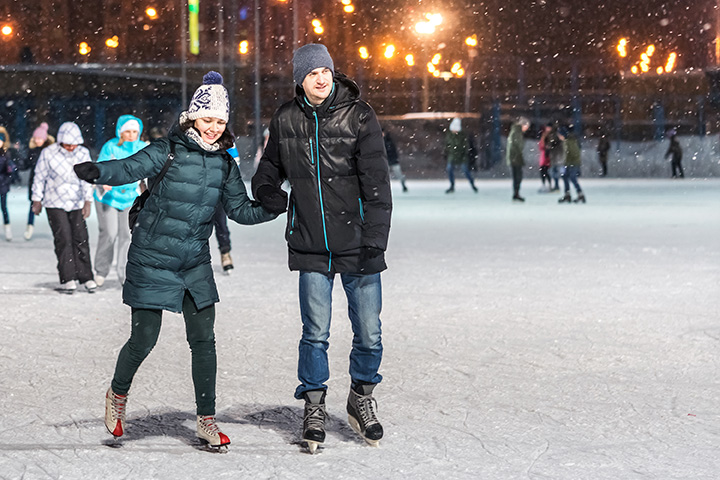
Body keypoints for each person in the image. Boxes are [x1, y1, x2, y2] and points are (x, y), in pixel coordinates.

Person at [73, 72, 277, 450]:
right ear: (192, 118)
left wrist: (271, 208)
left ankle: (206, 420)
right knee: (143, 340)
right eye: (207, 119)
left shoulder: (225, 166)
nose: (214, 128)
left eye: (220, 121)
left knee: (204, 341)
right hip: (152, 257)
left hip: (194, 262)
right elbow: (130, 167)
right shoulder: (166, 149)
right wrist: (99, 172)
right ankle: (117, 397)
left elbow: (239, 211)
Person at [251, 44, 392, 453]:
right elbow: (268, 168)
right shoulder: (286, 118)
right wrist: (265, 190)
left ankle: (361, 397)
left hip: (358, 243)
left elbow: (378, 185)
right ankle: (313, 406)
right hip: (311, 243)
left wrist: (375, 241)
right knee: (315, 334)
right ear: (300, 78)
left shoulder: (360, 116)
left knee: (369, 333)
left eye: (325, 71)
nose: (320, 78)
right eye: (312, 73)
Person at [31, 122, 97, 292]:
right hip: (54, 202)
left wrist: (88, 201)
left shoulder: (83, 153)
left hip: (76, 202)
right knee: (64, 239)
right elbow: (40, 176)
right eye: (67, 144)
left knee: (81, 238)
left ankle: (86, 276)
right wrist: (37, 199)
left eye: (73, 144)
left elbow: (87, 178)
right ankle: (69, 277)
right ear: (60, 141)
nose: (70, 147)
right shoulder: (48, 153)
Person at [93, 115, 148, 287]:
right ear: (120, 132)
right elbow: (100, 168)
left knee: (127, 236)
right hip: (109, 198)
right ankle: (101, 270)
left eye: (134, 131)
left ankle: (124, 274)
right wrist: (104, 180)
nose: (131, 135)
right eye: (128, 131)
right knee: (110, 233)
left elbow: (149, 171)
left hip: (130, 198)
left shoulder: (142, 148)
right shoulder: (110, 147)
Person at [22, 122, 55, 240]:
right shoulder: (33, 151)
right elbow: (25, 164)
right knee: (33, 206)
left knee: (51, 208)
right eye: (35, 138)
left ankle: (56, 228)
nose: (37, 140)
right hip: (34, 182)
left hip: (48, 183)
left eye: (39, 138)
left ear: (44, 138)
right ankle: (29, 228)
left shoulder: (51, 151)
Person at [444, 117, 477, 193]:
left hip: (462, 157)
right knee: (449, 169)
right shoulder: (449, 135)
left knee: (465, 171)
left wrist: (464, 155)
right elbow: (447, 145)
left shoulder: (462, 136)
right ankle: (452, 186)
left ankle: (472, 184)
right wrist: (446, 152)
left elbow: (465, 147)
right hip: (452, 156)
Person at [557, 126, 586, 203]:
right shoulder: (566, 141)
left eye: (559, 135)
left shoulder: (570, 141)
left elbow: (574, 153)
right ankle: (567, 195)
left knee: (573, 178)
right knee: (565, 177)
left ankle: (580, 194)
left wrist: (568, 162)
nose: (559, 137)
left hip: (573, 163)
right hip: (569, 163)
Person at [506, 117, 530, 202]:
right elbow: (519, 145)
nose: (526, 129)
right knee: (518, 177)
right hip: (515, 158)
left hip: (514, 157)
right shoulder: (517, 132)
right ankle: (516, 194)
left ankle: (516, 193)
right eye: (526, 126)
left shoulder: (514, 131)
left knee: (517, 177)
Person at [0, 128, 17, 241]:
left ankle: (8, 229)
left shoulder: (6, 155)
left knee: (4, 207)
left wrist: (10, 173)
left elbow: (10, 170)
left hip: (2, 185)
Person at [538, 123, 552, 192]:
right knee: (543, 172)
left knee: (545, 172)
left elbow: (543, 146)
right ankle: (545, 185)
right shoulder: (544, 136)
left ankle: (549, 185)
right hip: (544, 157)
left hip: (546, 158)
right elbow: (541, 146)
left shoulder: (548, 136)